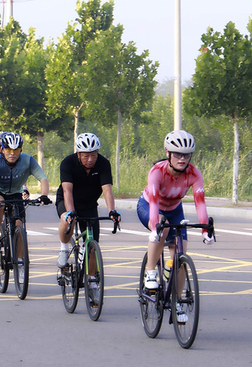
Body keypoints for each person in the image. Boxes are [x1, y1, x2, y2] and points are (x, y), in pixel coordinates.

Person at [137, 130, 213, 323]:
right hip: (149, 206)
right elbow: (154, 203)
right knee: (162, 227)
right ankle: (150, 272)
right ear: (168, 153)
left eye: (186, 155)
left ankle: (176, 301)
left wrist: (206, 230)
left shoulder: (194, 174)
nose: (182, 159)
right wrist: (154, 228)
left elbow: (200, 203)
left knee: (180, 257)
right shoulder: (157, 172)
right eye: (178, 154)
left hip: (175, 210)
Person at [0, 132, 51, 253]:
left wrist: (44, 195)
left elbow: (43, 179)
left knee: (19, 224)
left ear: (20, 149)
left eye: (16, 150)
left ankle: (20, 260)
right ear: (1, 149)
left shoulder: (28, 160)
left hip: (16, 192)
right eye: (8, 149)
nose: (12, 153)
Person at [56, 133, 121, 269]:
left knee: (93, 247)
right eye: (86, 156)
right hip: (68, 200)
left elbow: (107, 190)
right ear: (78, 154)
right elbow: (67, 191)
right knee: (67, 220)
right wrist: (70, 211)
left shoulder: (103, 164)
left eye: (94, 155)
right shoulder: (68, 163)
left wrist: (112, 211)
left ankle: (92, 280)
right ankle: (64, 249)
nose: (90, 160)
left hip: (89, 204)